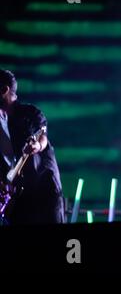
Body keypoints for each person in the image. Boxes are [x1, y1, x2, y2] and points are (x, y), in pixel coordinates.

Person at [0, 69, 65, 225]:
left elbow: (42, 135)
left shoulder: (30, 113)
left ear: (4, 90)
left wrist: (37, 145)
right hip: (19, 198)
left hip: (45, 192)